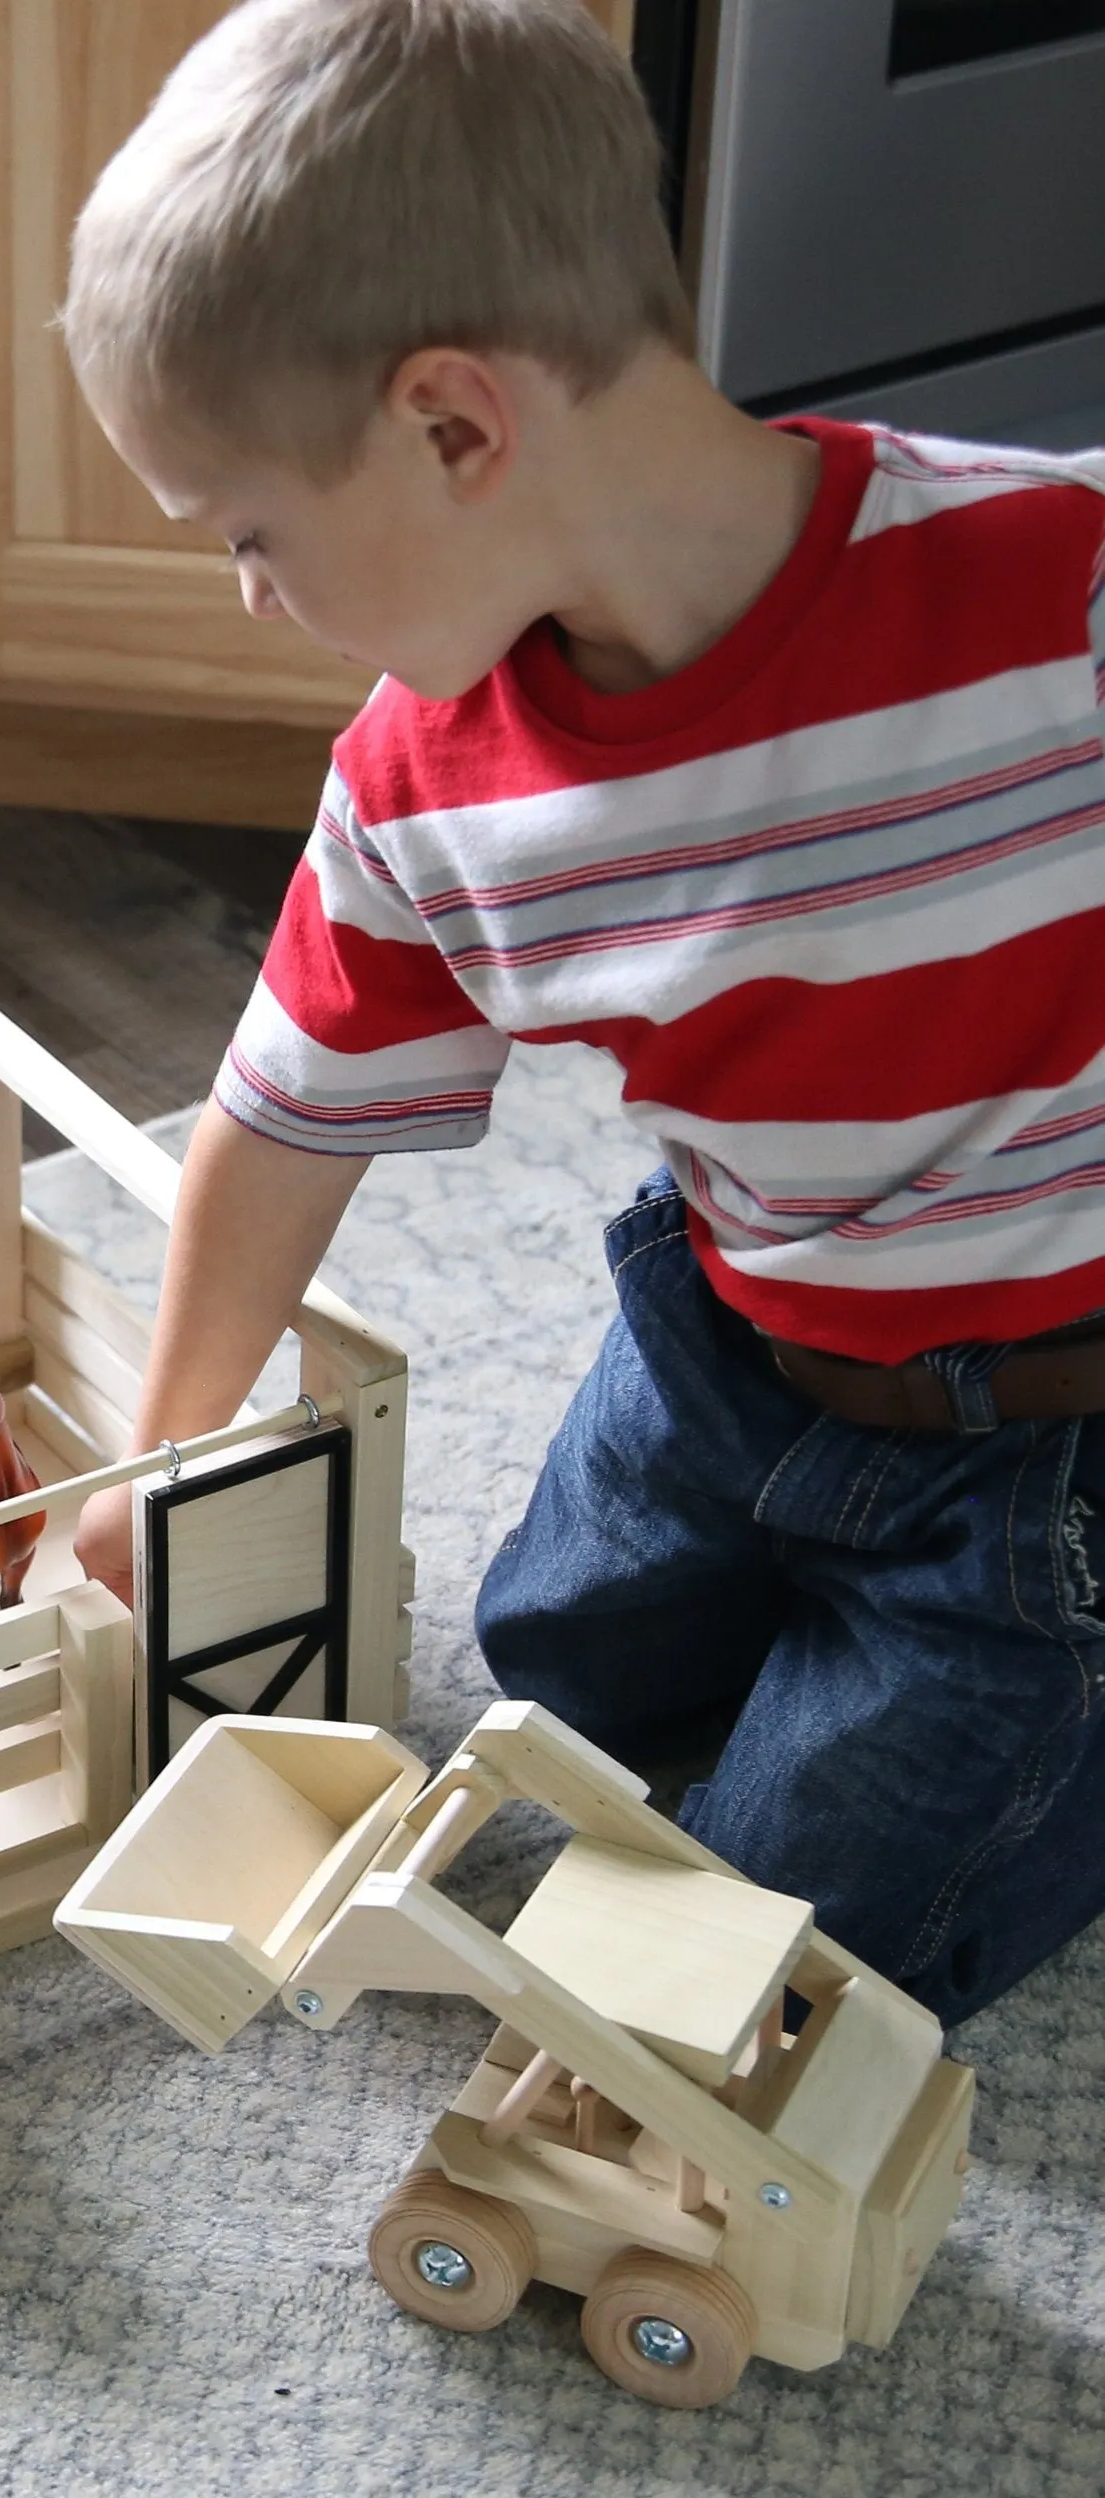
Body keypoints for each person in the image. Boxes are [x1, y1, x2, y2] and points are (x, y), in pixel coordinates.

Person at [62, 0, 1105, 2024]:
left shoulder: (1049, 588)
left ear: (455, 425)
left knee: (780, 1947)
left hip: (1048, 1441)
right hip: (734, 1340)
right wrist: (160, 1448)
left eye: (253, 533)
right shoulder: (421, 786)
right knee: (554, 1668)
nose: (250, 599)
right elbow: (284, 1118)